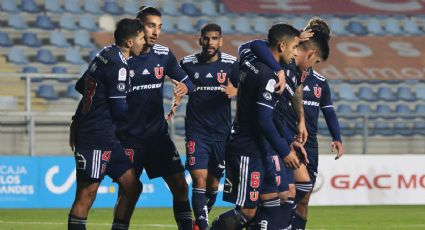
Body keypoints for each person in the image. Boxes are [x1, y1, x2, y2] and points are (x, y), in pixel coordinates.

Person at [246, 17, 344, 230]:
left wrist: (301, 123)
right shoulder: (283, 64)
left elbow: (322, 107)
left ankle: (273, 224)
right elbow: (253, 45)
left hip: (294, 139)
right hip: (269, 137)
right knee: (275, 196)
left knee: (301, 191)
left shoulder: (311, 79)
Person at [209, 23, 303, 230]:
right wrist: (285, 151)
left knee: (273, 198)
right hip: (247, 148)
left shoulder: (250, 57)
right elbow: (263, 120)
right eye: (294, 47)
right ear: (282, 46)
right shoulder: (268, 76)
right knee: (246, 213)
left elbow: (248, 47)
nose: (296, 53)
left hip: (259, 146)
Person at [116, 6, 194, 230]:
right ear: (139, 26)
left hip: (157, 136)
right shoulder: (122, 57)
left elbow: (186, 81)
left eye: (159, 27)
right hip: (128, 137)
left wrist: (182, 89)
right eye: (151, 25)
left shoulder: (163, 54)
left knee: (180, 185)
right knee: (128, 192)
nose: (156, 31)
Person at [68, 18, 145, 230]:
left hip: (106, 137)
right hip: (95, 135)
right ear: (129, 42)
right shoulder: (118, 64)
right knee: (87, 193)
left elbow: (80, 86)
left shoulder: (103, 54)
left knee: (132, 186)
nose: (143, 42)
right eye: (141, 38)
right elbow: (119, 110)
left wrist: (77, 119)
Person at [177, 23, 239, 230]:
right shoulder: (187, 63)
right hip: (197, 132)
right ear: (200, 39)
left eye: (214, 39)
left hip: (221, 134)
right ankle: (203, 226)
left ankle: (198, 223)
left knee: (213, 185)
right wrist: (178, 91)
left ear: (220, 41)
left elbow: (246, 85)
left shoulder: (232, 64)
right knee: (199, 180)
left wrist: (236, 90)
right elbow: (175, 80)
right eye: (206, 38)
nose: (210, 42)